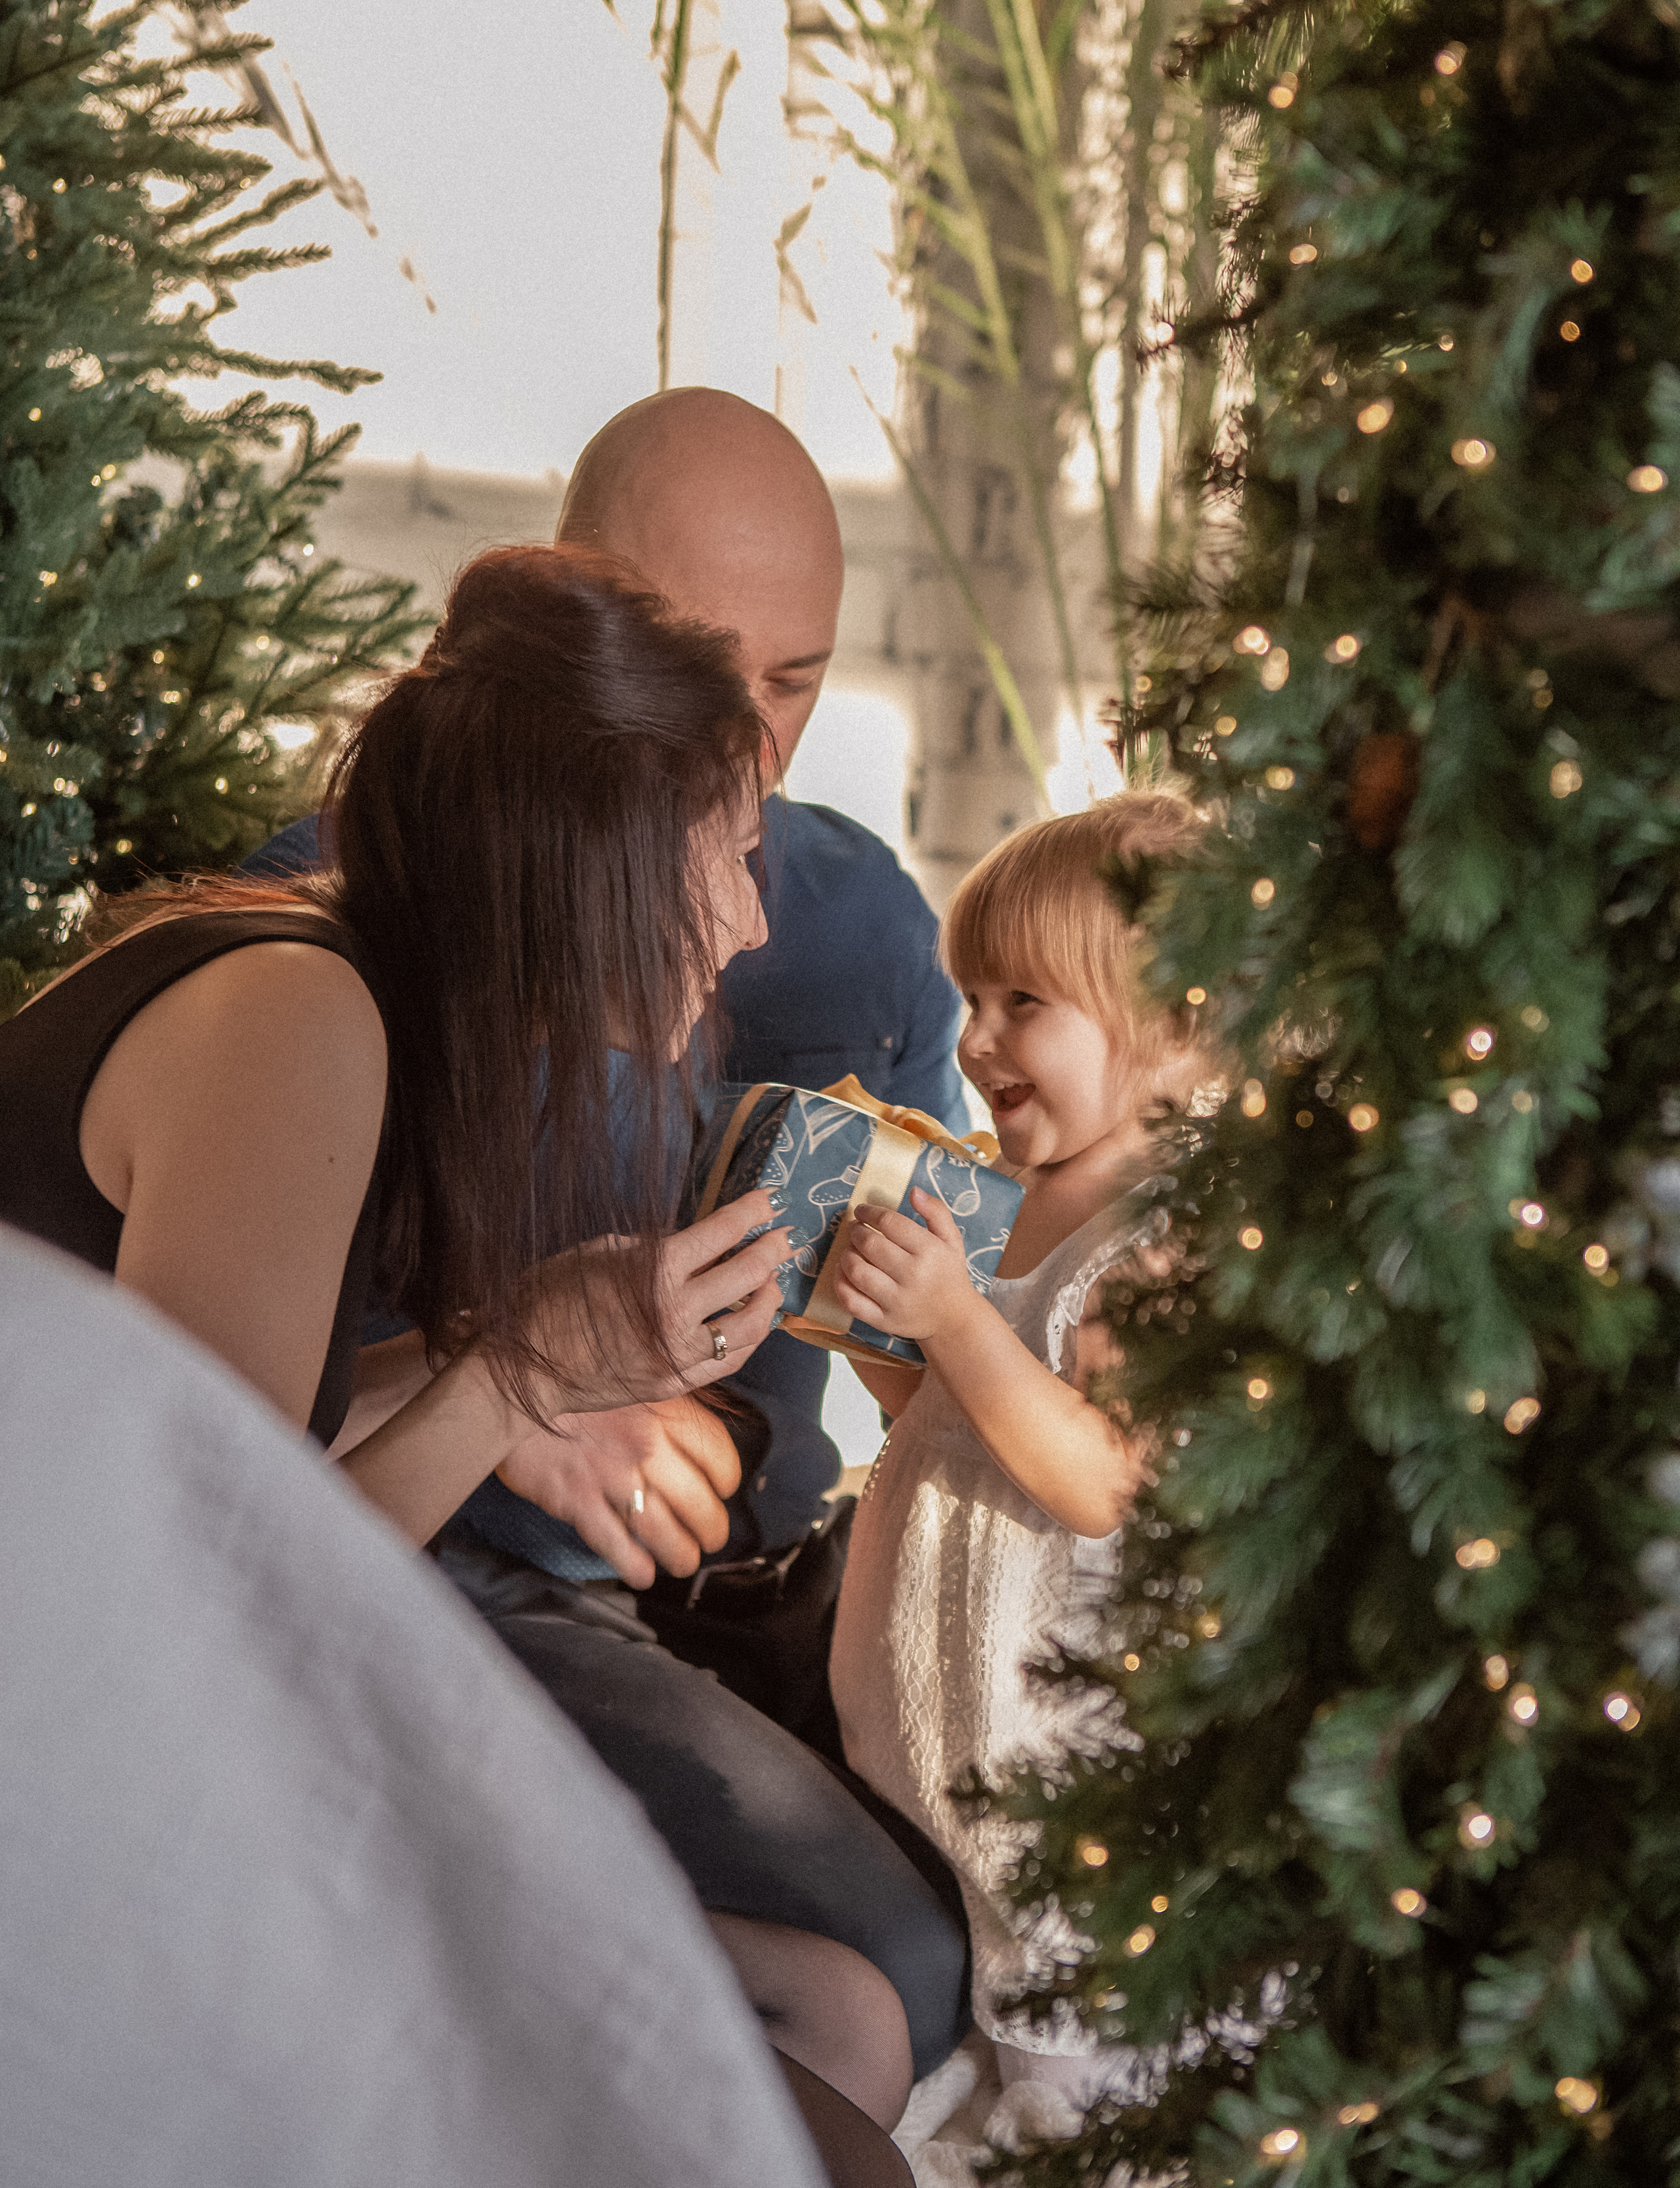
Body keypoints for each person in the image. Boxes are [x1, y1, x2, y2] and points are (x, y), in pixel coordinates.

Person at [0, 544, 927, 2142]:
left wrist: (519, 1341)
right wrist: (511, 1382)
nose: (750, 921)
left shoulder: (325, 985)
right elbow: (211, 1626)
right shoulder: (295, 1022)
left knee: (839, 2003)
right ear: (594, 863)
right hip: (77, 1805)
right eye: (728, 853)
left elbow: (217, 1422)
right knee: (807, 2107)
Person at [249, 390, 975, 2115]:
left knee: (965, 1942)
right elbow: (238, 1449)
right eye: (705, 672)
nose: (760, 744)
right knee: (880, 1975)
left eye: (798, 681)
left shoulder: (859, 927)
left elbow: (903, 1338)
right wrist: (521, 1392)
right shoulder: (323, 943)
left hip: (763, 1578)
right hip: (449, 1583)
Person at [0, 1221, 830, 2188]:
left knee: (860, 2007)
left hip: (263, 1663)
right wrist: (519, 1374)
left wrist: (493, 1357)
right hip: (190, 1756)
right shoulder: (285, 1071)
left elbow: (266, 1433)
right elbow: (233, 1576)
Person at [829, 795, 1219, 2113]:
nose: (975, 1036)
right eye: (968, 997)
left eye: (1021, 1002)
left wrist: (947, 1315)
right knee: (985, 2044)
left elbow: (1101, 1479)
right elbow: (947, 1419)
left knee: (1071, 2059)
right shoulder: (1001, 1196)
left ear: (1166, 1022)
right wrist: (869, 1326)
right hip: (950, 1752)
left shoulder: (1161, 1226)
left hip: (1065, 1753)